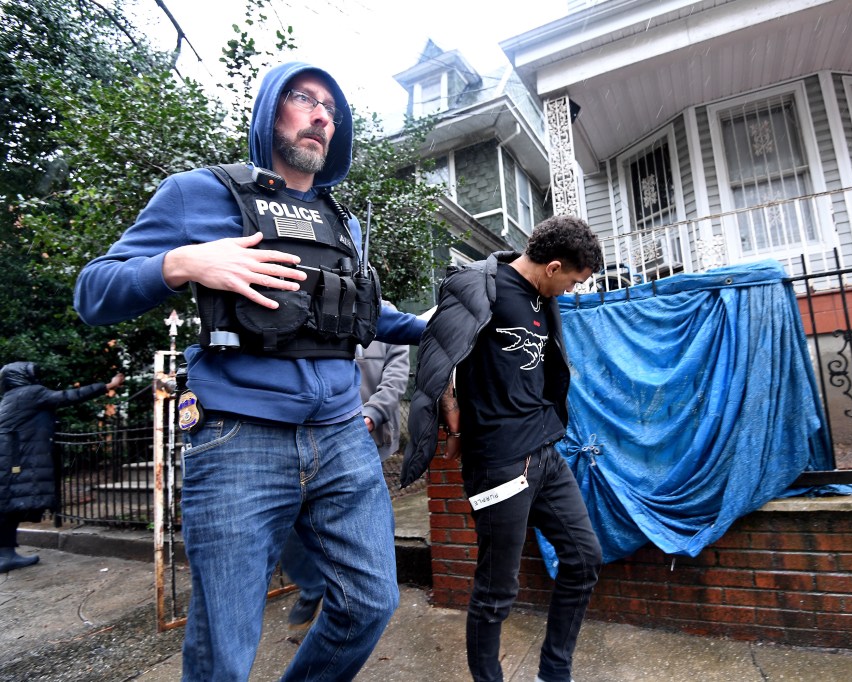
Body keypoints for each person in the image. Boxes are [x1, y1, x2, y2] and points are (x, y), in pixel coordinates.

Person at [74, 61, 424, 681]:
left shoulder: (345, 223)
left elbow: (364, 313)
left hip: (343, 436)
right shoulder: (198, 193)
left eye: (332, 110)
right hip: (239, 440)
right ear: (269, 110)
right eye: (304, 99)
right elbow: (93, 292)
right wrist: (184, 262)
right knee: (225, 651)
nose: (321, 115)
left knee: (371, 602)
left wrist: (449, 324)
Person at [402, 215, 605, 682]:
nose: (573, 290)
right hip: (499, 462)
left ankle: (554, 673)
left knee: (583, 558)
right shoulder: (476, 286)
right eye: (574, 280)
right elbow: (438, 348)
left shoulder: (542, 298)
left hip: (547, 454)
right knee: (497, 591)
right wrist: (448, 400)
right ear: (554, 266)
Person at [281, 301, 411, 628]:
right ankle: (313, 585)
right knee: (293, 519)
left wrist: (371, 415)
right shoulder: (314, 305)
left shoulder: (386, 316)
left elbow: (396, 378)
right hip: (317, 429)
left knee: (371, 509)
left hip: (369, 431)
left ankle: (373, 584)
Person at [0, 362, 124, 573]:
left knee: (8, 506)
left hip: (9, 456)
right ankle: (6, 555)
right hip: (15, 457)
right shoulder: (31, 393)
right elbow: (68, 396)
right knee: (9, 508)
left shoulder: (10, 397)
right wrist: (107, 386)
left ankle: (6, 554)